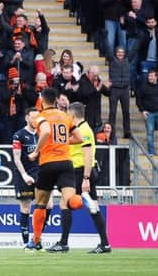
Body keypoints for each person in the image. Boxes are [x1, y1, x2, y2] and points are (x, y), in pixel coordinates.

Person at [25, 88, 82, 253]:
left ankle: (36, 241)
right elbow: (79, 138)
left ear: (42, 100)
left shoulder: (40, 116)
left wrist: (36, 151)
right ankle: (81, 200)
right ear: (56, 100)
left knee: (41, 203)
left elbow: (46, 131)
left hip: (48, 163)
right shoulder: (65, 116)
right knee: (70, 201)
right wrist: (63, 144)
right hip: (66, 163)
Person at [67, 102, 111, 254]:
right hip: (78, 172)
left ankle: (104, 244)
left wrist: (86, 178)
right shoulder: (79, 130)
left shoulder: (83, 130)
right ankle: (104, 244)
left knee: (92, 207)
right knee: (91, 207)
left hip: (82, 173)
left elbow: (87, 156)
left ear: (72, 115)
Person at [12, 107, 51, 247]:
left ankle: (37, 237)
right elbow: (16, 158)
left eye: (38, 117)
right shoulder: (19, 135)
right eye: (33, 117)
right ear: (27, 118)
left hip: (40, 173)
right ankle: (25, 242)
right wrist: (24, 175)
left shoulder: (43, 134)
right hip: (25, 174)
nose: (36, 120)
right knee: (26, 207)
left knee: (49, 204)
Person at [136, 69, 158, 156]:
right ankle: (151, 151)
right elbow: (138, 100)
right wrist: (142, 110)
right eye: (149, 76)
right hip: (149, 113)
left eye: (152, 76)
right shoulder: (143, 87)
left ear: (156, 77)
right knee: (150, 132)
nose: (150, 77)